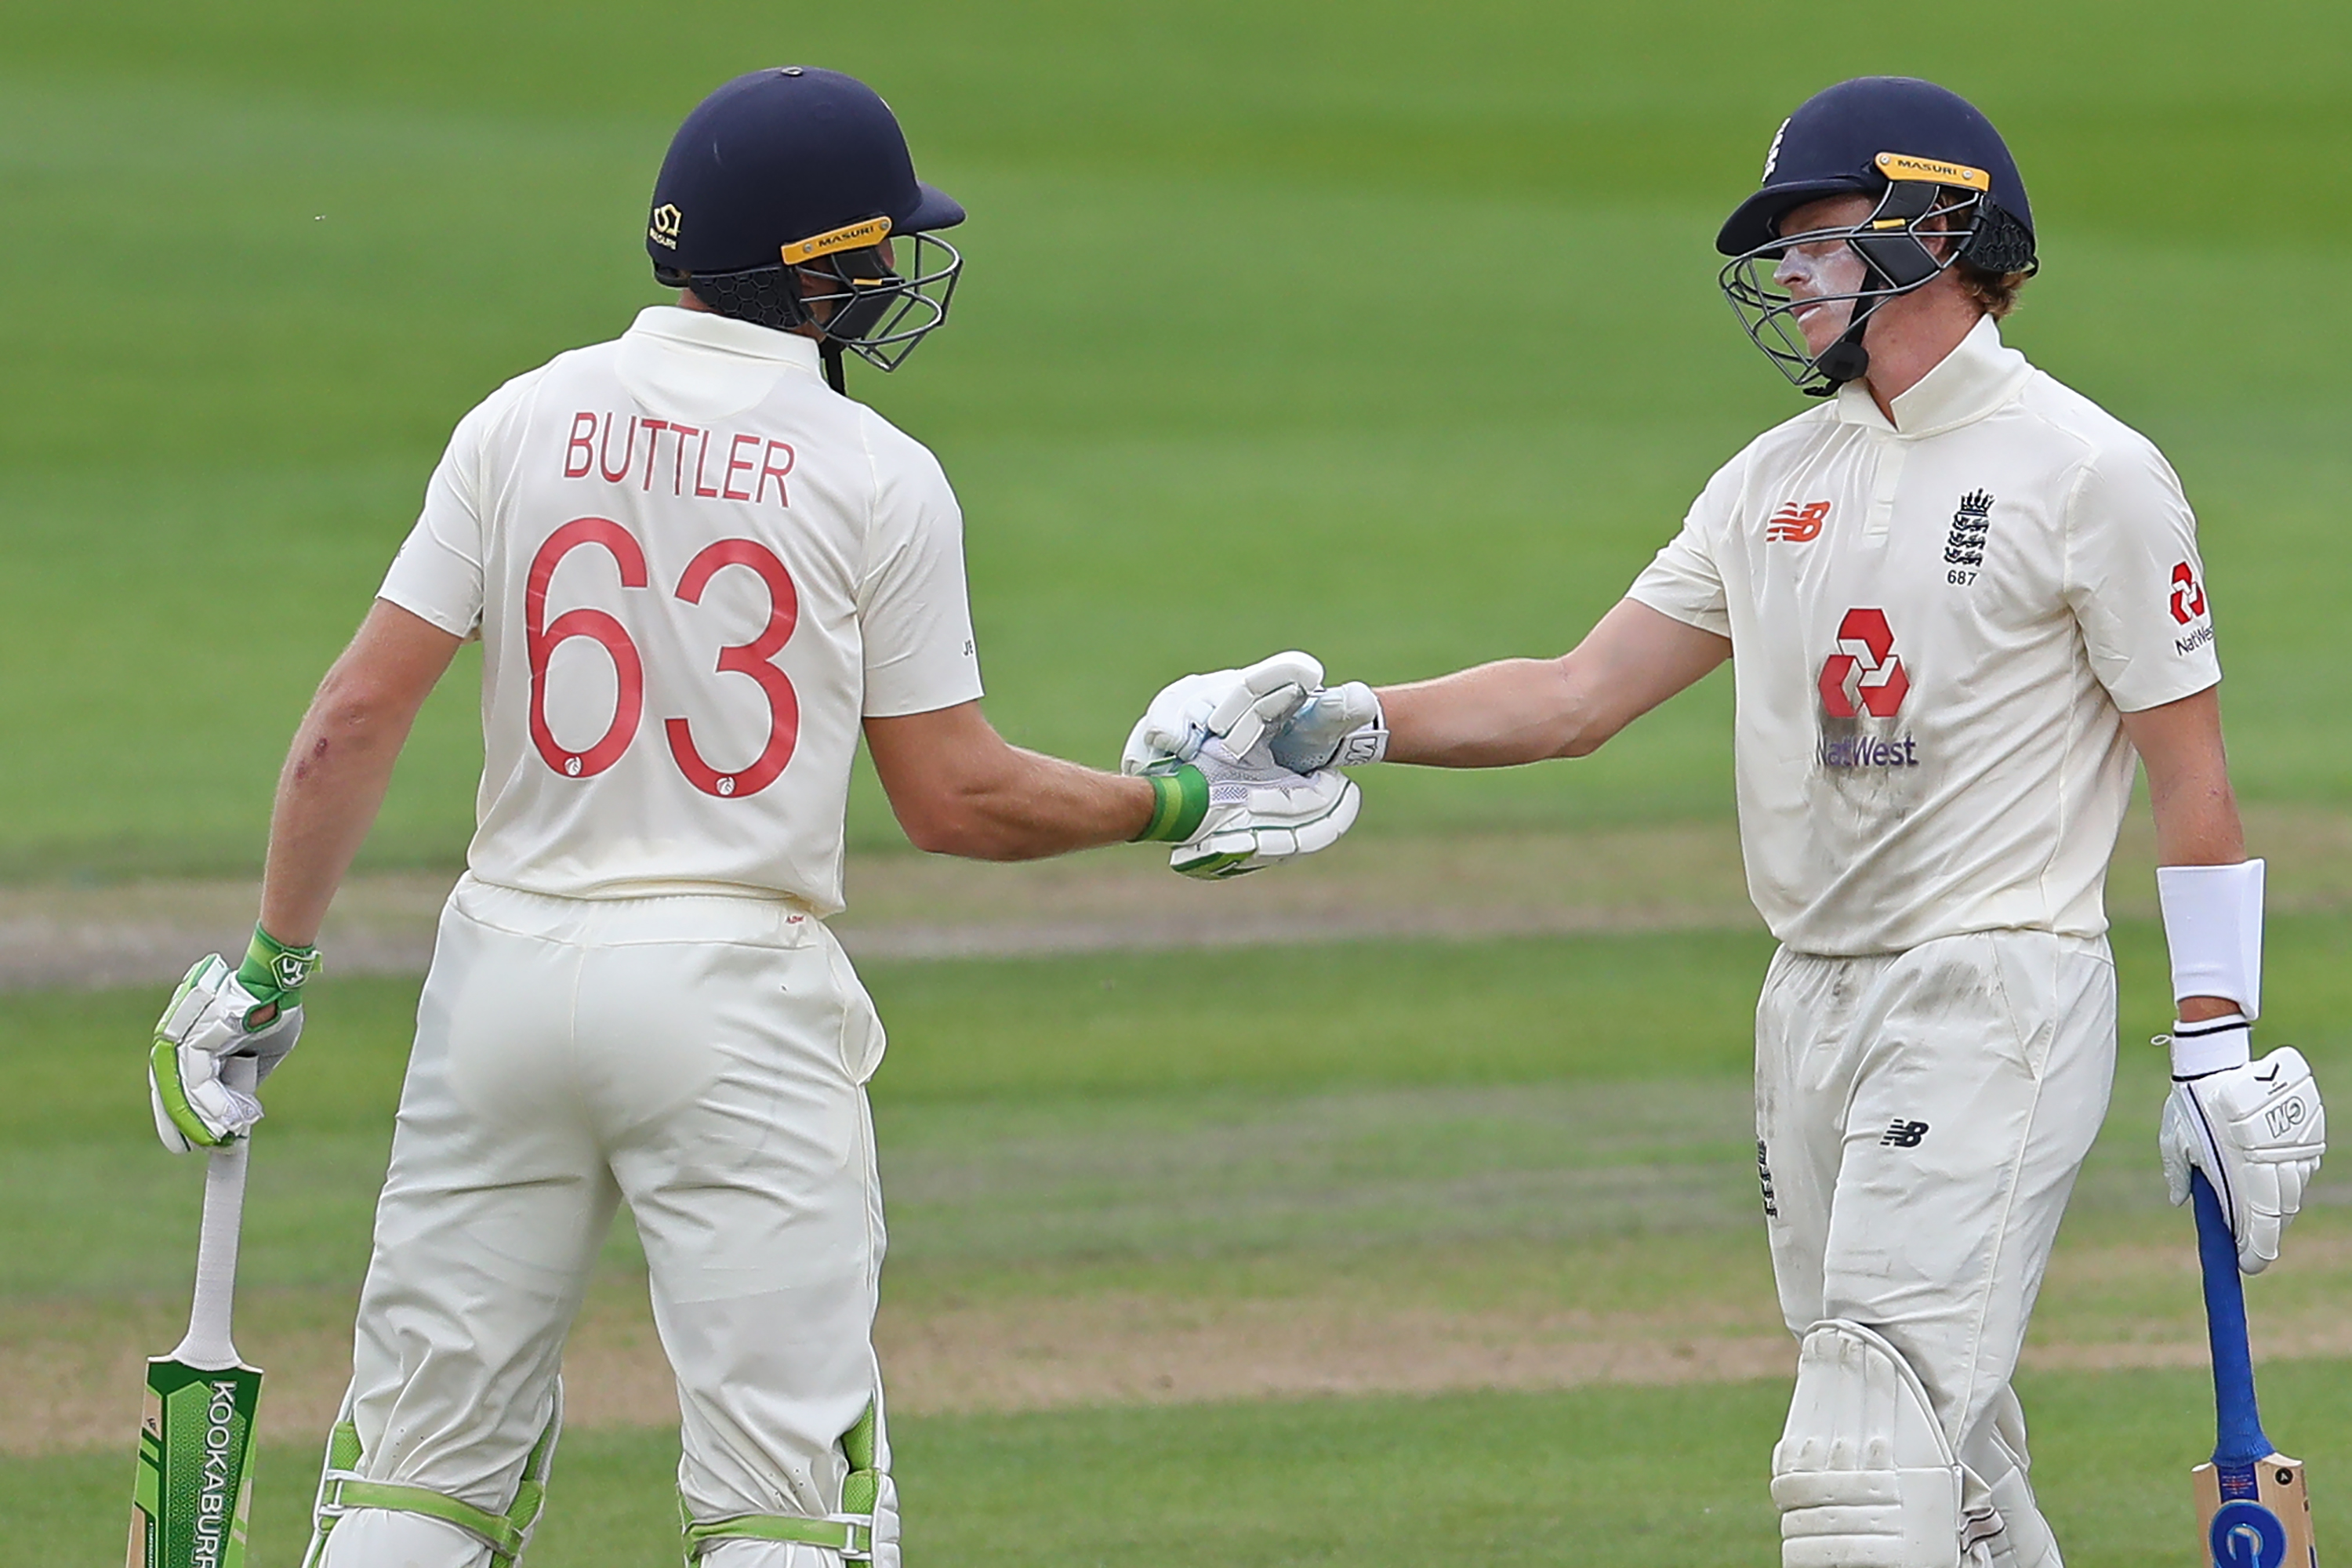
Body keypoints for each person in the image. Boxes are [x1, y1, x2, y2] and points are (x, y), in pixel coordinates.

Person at [143, 66, 1357, 1568]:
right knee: (786, 1499)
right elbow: (957, 800)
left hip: (501, 977)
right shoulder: (874, 473)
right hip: (734, 996)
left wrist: (268, 962)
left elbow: (351, 720)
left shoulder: (520, 419)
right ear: (817, 271)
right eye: (880, 247)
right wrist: (1175, 798)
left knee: (420, 1481)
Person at [1127, 76, 2326, 1568]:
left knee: (1859, 1454)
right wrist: (1347, 718)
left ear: (1936, 228)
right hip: (1807, 1002)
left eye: (1818, 239)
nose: (1790, 276)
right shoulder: (1775, 482)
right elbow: (1576, 692)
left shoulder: (2089, 472)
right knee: (1949, 1469)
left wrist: (2214, 1042)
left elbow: (2190, 768)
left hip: (1994, 989)